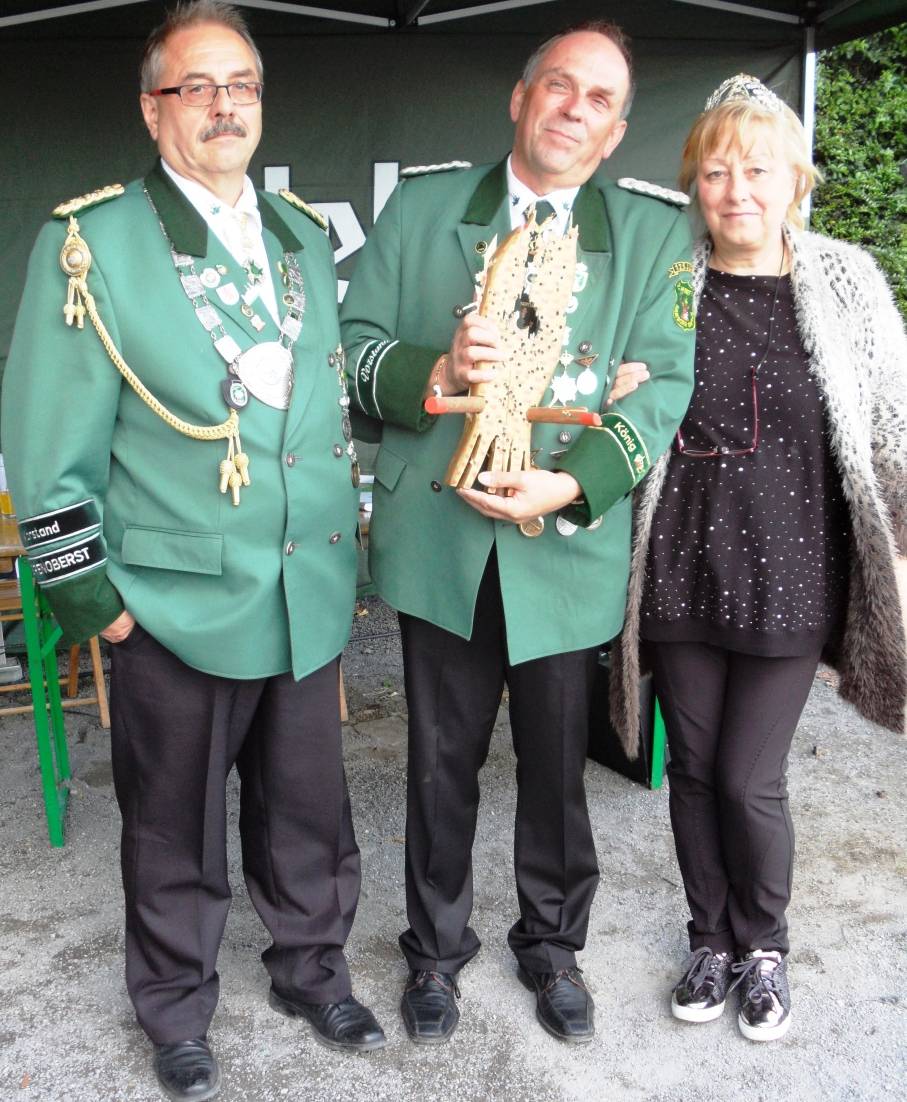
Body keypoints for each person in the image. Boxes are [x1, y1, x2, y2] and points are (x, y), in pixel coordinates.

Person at [1, 2, 386, 1097]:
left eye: (244, 86)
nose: (225, 106)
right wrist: (99, 606)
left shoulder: (300, 234)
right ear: (152, 108)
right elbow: (48, 446)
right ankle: (175, 1009)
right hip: (167, 600)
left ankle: (313, 968)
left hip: (302, 585)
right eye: (197, 87)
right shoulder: (92, 241)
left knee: (309, 809)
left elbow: (315, 408)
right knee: (170, 831)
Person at [340, 22, 696, 1045]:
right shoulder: (419, 208)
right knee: (439, 762)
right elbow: (354, 353)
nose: (572, 110)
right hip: (441, 539)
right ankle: (435, 954)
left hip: (561, 540)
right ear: (518, 95)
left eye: (596, 100)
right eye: (557, 87)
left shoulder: (654, 236)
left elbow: (663, 386)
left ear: (616, 129)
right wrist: (439, 369)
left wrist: (572, 484)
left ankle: (551, 944)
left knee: (555, 765)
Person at [608, 74, 907, 1042]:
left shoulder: (846, 282)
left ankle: (764, 944)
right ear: (694, 184)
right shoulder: (662, 284)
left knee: (747, 776)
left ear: (794, 182)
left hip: (793, 568)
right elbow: (611, 411)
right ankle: (711, 939)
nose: (737, 190)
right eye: (716, 171)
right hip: (680, 565)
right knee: (691, 769)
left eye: (758, 170)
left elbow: (890, 433)